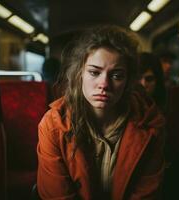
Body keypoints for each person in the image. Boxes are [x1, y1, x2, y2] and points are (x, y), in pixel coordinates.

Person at [37, 25, 165, 200]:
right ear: (80, 74)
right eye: (94, 72)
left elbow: (146, 194)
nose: (104, 84)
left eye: (116, 76)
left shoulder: (149, 125)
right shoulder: (53, 125)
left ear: (128, 81)